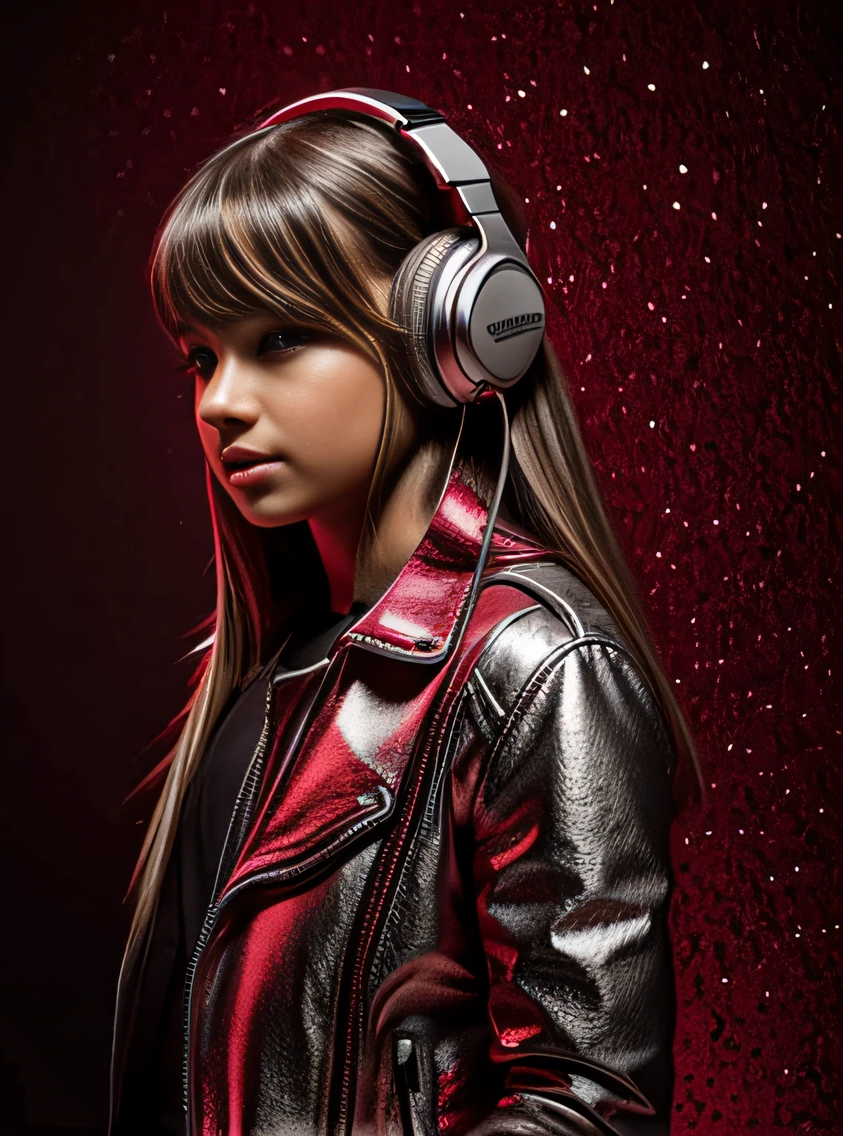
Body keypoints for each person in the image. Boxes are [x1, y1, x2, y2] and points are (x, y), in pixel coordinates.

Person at [110, 92, 692, 1134]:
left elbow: (586, 1110)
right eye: (201, 354)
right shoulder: (259, 678)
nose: (218, 401)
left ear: (457, 333)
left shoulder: (534, 666)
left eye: (281, 337)